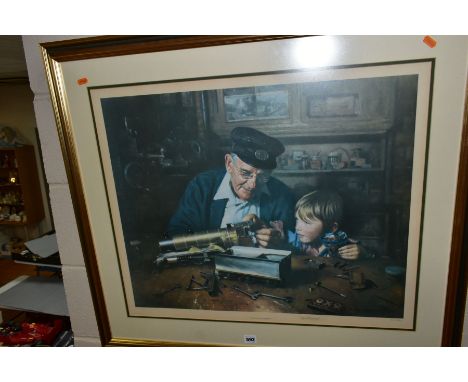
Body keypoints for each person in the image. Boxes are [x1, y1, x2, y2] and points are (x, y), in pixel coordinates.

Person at [167, 126, 296, 248]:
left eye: (263, 177)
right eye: (245, 173)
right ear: (229, 164)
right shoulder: (202, 186)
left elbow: (296, 240)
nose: (253, 184)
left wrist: (279, 241)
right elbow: (177, 234)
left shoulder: (282, 194)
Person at [288, 190, 362, 260]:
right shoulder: (297, 239)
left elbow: (364, 251)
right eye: (297, 220)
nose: (297, 227)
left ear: (333, 227)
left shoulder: (340, 243)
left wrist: (361, 251)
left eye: (307, 222)